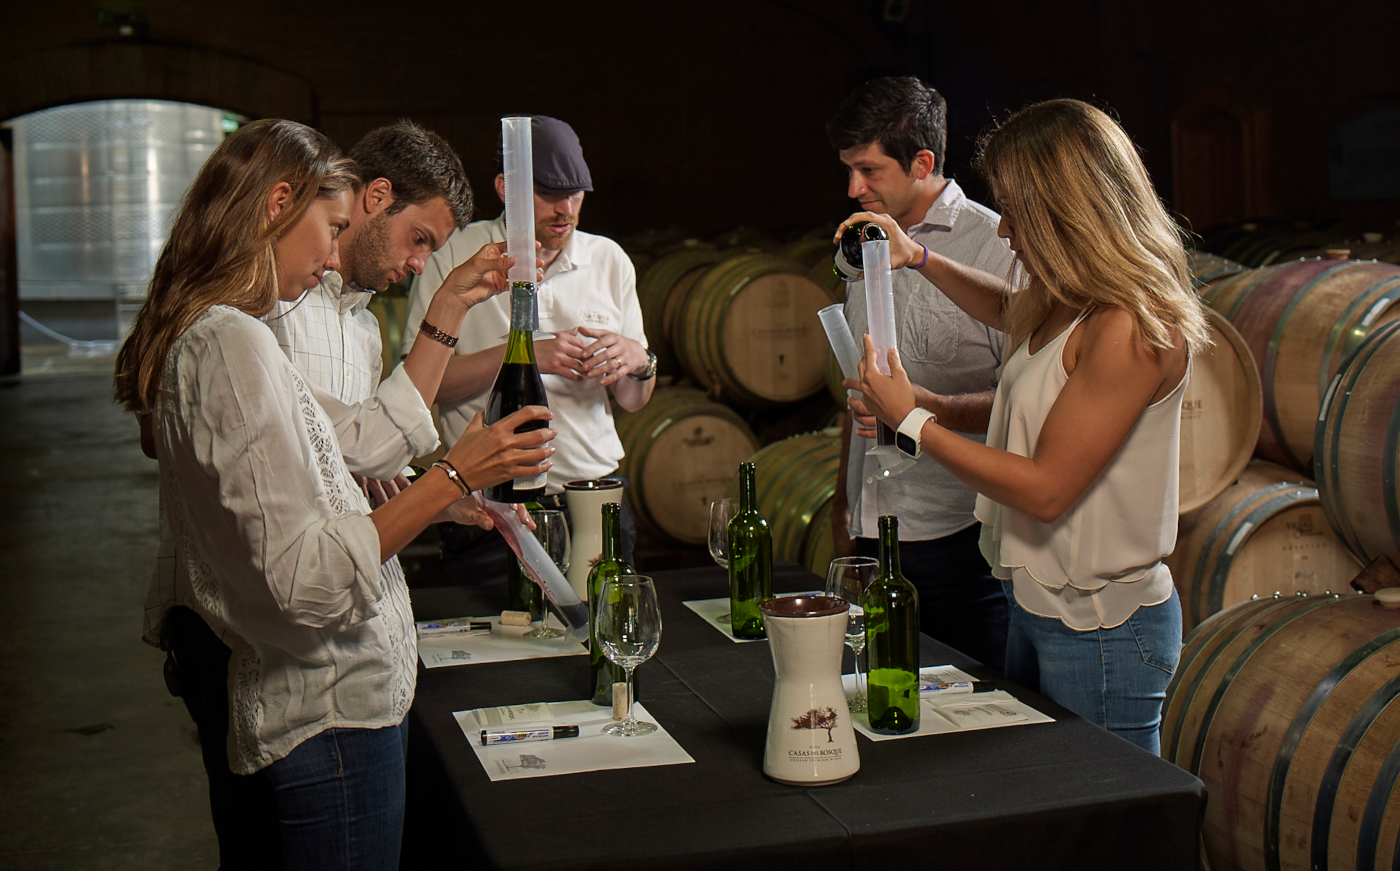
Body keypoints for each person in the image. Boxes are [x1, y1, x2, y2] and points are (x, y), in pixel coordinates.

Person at [114, 119, 554, 869]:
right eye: (332, 226)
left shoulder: (267, 332)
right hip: (312, 689)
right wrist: (454, 472)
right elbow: (303, 572)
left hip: (320, 677)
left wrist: (427, 489)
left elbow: (345, 450)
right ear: (280, 204)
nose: (328, 256)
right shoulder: (243, 336)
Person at [847, 98, 1210, 754]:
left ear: (1066, 209)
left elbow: (1046, 488)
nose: (1006, 230)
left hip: (1101, 622)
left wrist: (913, 418)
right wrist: (918, 258)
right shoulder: (1072, 299)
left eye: (1016, 210)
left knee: (1100, 827)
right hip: (1038, 600)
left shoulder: (1130, 323)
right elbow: (1011, 309)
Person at [403, 115, 653, 568]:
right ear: (505, 187)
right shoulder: (457, 253)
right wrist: (528, 357)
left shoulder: (609, 259)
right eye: (549, 195)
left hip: (594, 493)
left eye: (575, 195)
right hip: (490, 503)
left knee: (603, 634)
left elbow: (633, 400)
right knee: (493, 635)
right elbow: (423, 389)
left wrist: (638, 361)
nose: (566, 210)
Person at [827, 76, 1014, 673]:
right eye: (848, 169)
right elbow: (858, 388)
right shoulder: (861, 244)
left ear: (923, 162)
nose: (854, 188)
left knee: (967, 727)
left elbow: (1024, 399)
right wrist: (841, 505)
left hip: (960, 533)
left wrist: (921, 407)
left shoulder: (996, 247)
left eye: (869, 170)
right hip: (872, 525)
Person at [264, 120, 471, 504]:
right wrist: (450, 305)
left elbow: (361, 464)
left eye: (431, 251)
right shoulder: (274, 294)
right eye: (419, 238)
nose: (420, 265)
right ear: (377, 195)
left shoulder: (366, 330)